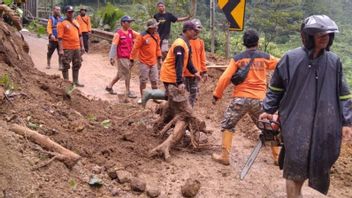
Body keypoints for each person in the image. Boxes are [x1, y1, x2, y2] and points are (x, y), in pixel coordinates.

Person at [259, 15, 352, 197]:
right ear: (307, 36)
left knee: (320, 166)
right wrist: (267, 110)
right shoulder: (290, 59)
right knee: (295, 165)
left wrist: (346, 122)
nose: (325, 37)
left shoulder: (334, 62)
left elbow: (344, 94)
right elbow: (275, 88)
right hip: (295, 123)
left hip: (326, 126)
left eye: (328, 34)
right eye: (320, 34)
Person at [211, 29, 278, 166]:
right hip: (260, 99)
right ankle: (277, 158)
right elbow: (282, 64)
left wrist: (217, 95)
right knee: (269, 127)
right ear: (258, 42)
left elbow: (225, 78)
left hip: (240, 98)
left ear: (244, 43)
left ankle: (224, 156)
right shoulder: (265, 57)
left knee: (228, 125)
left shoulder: (237, 58)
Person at [160, 21, 201, 98]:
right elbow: (179, 63)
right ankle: (152, 94)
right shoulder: (180, 44)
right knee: (174, 99)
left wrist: (194, 72)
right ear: (188, 30)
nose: (196, 33)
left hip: (174, 74)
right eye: (194, 31)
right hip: (170, 75)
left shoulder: (187, 43)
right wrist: (180, 82)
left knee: (174, 97)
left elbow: (188, 60)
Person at [106, 16, 138, 99]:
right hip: (122, 57)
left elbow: (140, 36)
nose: (130, 23)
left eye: (130, 22)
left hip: (129, 56)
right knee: (127, 73)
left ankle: (109, 86)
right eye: (128, 22)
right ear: (123, 23)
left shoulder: (131, 32)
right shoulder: (118, 34)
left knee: (120, 74)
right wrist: (111, 57)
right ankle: (128, 92)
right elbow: (114, 46)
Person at [130, 19, 162, 103]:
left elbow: (158, 47)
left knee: (155, 81)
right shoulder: (142, 36)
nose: (156, 28)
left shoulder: (157, 36)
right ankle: (143, 97)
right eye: (155, 27)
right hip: (144, 62)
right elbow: (135, 48)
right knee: (143, 81)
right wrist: (131, 59)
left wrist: (159, 58)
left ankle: (155, 96)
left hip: (153, 62)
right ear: (150, 28)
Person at [57, 5, 85, 87]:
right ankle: (67, 83)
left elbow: (80, 35)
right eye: (69, 12)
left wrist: (82, 46)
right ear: (66, 13)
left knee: (77, 64)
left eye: (72, 12)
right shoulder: (62, 24)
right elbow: (59, 38)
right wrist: (61, 50)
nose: (71, 14)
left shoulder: (76, 22)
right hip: (67, 48)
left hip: (77, 47)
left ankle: (75, 82)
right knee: (66, 65)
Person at [184, 19, 207, 107]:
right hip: (185, 72)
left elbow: (202, 57)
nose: (196, 33)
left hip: (196, 73)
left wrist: (204, 71)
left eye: (198, 31)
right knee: (184, 94)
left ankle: (190, 111)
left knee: (193, 94)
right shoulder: (185, 41)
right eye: (195, 30)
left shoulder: (200, 42)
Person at [46, 5, 63, 70]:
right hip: (53, 39)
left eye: (59, 10)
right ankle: (48, 63)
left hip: (60, 40)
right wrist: (50, 34)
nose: (58, 11)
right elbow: (48, 27)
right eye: (57, 9)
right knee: (50, 52)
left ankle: (60, 65)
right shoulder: (51, 18)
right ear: (54, 10)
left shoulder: (62, 19)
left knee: (60, 53)